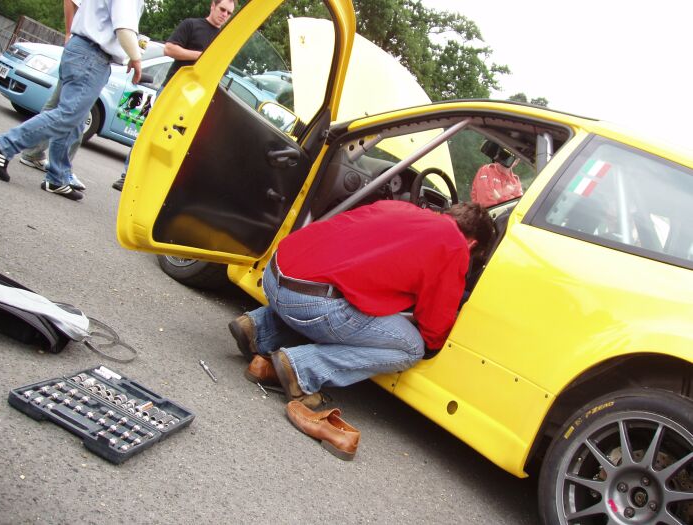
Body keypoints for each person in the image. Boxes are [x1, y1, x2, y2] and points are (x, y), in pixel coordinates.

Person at [229, 199, 496, 409]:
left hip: (274, 276)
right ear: (472, 243)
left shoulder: (399, 207)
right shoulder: (455, 246)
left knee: (349, 299)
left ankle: (257, 328)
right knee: (411, 347)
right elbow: (434, 323)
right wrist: (433, 344)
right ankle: (301, 370)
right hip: (309, 304)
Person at [0, 0, 145, 201]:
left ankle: (58, 177)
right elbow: (124, 28)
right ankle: (3, 145)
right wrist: (136, 58)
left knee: (75, 118)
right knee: (68, 115)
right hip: (92, 56)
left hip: (81, 49)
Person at [112, 0, 236, 191]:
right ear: (212, 6)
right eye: (222, 10)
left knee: (176, 143)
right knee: (150, 132)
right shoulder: (191, 25)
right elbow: (169, 49)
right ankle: (127, 176)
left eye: (229, 13)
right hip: (172, 90)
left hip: (197, 99)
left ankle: (153, 185)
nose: (224, 15)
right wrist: (201, 56)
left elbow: (223, 71)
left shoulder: (226, 40)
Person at [18, 0, 86, 192]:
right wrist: (68, 33)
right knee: (75, 112)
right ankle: (61, 171)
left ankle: (32, 152)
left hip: (82, 51)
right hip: (85, 52)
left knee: (58, 106)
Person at [470, 140, 523, 207]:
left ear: (516, 161)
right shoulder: (486, 170)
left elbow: (519, 205)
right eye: (502, 154)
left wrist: (499, 197)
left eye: (509, 157)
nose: (503, 158)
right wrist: (509, 198)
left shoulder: (515, 181)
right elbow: (486, 204)